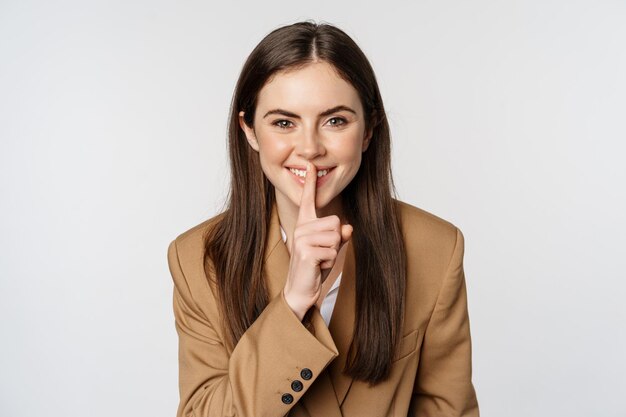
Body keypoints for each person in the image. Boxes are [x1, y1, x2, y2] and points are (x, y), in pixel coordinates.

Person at [167, 20, 479, 417]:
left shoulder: (435, 247)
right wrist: (292, 303)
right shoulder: (198, 258)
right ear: (249, 130)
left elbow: (447, 409)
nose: (310, 148)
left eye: (335, 121)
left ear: (368, 130)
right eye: (284, 122)